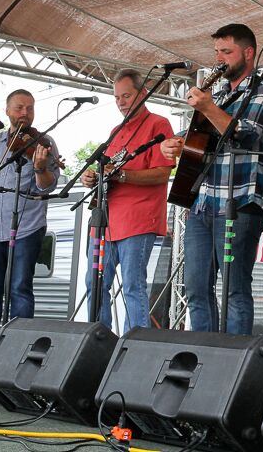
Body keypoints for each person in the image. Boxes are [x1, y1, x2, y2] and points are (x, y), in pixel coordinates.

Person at [160, 24, 263, 335]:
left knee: (235, 290)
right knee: (196, 288)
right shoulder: (220, 93)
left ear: (248, 53)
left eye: (227, 52)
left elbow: (246, 134)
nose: (219, 59)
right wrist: (175, 142)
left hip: (241, 201)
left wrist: (208, 107)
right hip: (203, 202)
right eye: (217, 53)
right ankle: (204, 354)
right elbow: (200, 135)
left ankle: (237, 359)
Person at [0, 89, 61, 331]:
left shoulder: (44, 143)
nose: (25, 113)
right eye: (19, 108)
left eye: (30, 108)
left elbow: (48, 186)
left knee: (20, 289)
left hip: (26, 228)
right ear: (7, 111)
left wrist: (40, 168)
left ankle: (18, 343)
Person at [82, 69, 175, 331]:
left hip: (138, 218)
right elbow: (107, 169)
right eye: (117, 98)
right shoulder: (116, 130)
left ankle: (134, 346)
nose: (121, 102)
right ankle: (99, 342)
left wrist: (121, 175)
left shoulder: (158, 124)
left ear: (143, 94)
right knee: (94, 283)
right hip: (106, 218)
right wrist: (92, 177)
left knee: (133, 285)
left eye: (126, 96)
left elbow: (162, 173)